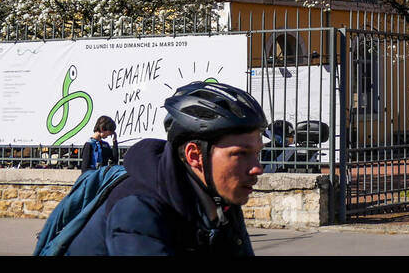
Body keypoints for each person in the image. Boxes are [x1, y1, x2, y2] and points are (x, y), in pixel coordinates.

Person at [67, 82, 266, 256]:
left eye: (257, 153)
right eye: (241, 154)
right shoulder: (137, 211)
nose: (257, 169)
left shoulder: (222, 202)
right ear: (194, 156)